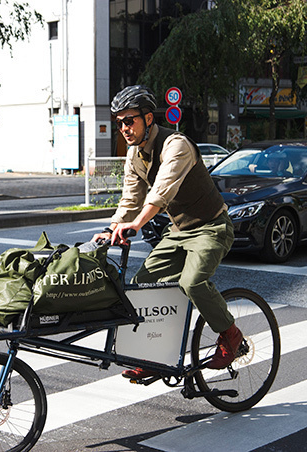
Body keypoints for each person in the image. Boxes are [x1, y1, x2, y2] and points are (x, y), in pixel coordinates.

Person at [95, 85, 241, 377]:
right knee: (142, 284)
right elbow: (130, 199)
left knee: (192, 282)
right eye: (119, 121)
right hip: (179, 231)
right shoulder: (134, 155)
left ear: (148, 118)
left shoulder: (177, 145)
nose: (123, 127)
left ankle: (230, 333)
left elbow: (161, 191)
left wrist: (137, 223)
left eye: (129, 120)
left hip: (212, 227)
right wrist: (112, 228)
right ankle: (154, 358)